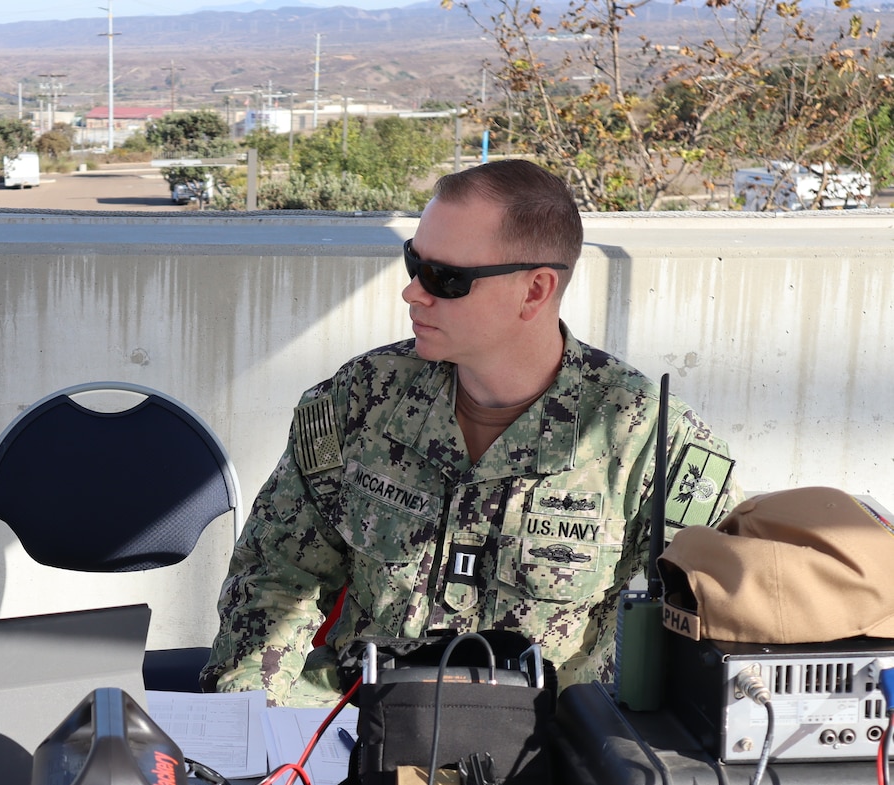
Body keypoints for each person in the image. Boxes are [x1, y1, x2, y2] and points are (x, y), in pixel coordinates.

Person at [202, 159, 738, 709]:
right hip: (357, 730)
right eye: (415, 262)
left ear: (535, 290)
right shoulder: (361, 399)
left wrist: (590, 750)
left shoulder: (650, 439)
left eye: (445, 278)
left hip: (545, 750)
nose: (413, 292)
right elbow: (273, 576)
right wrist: (250, 721)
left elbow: (692, 629)